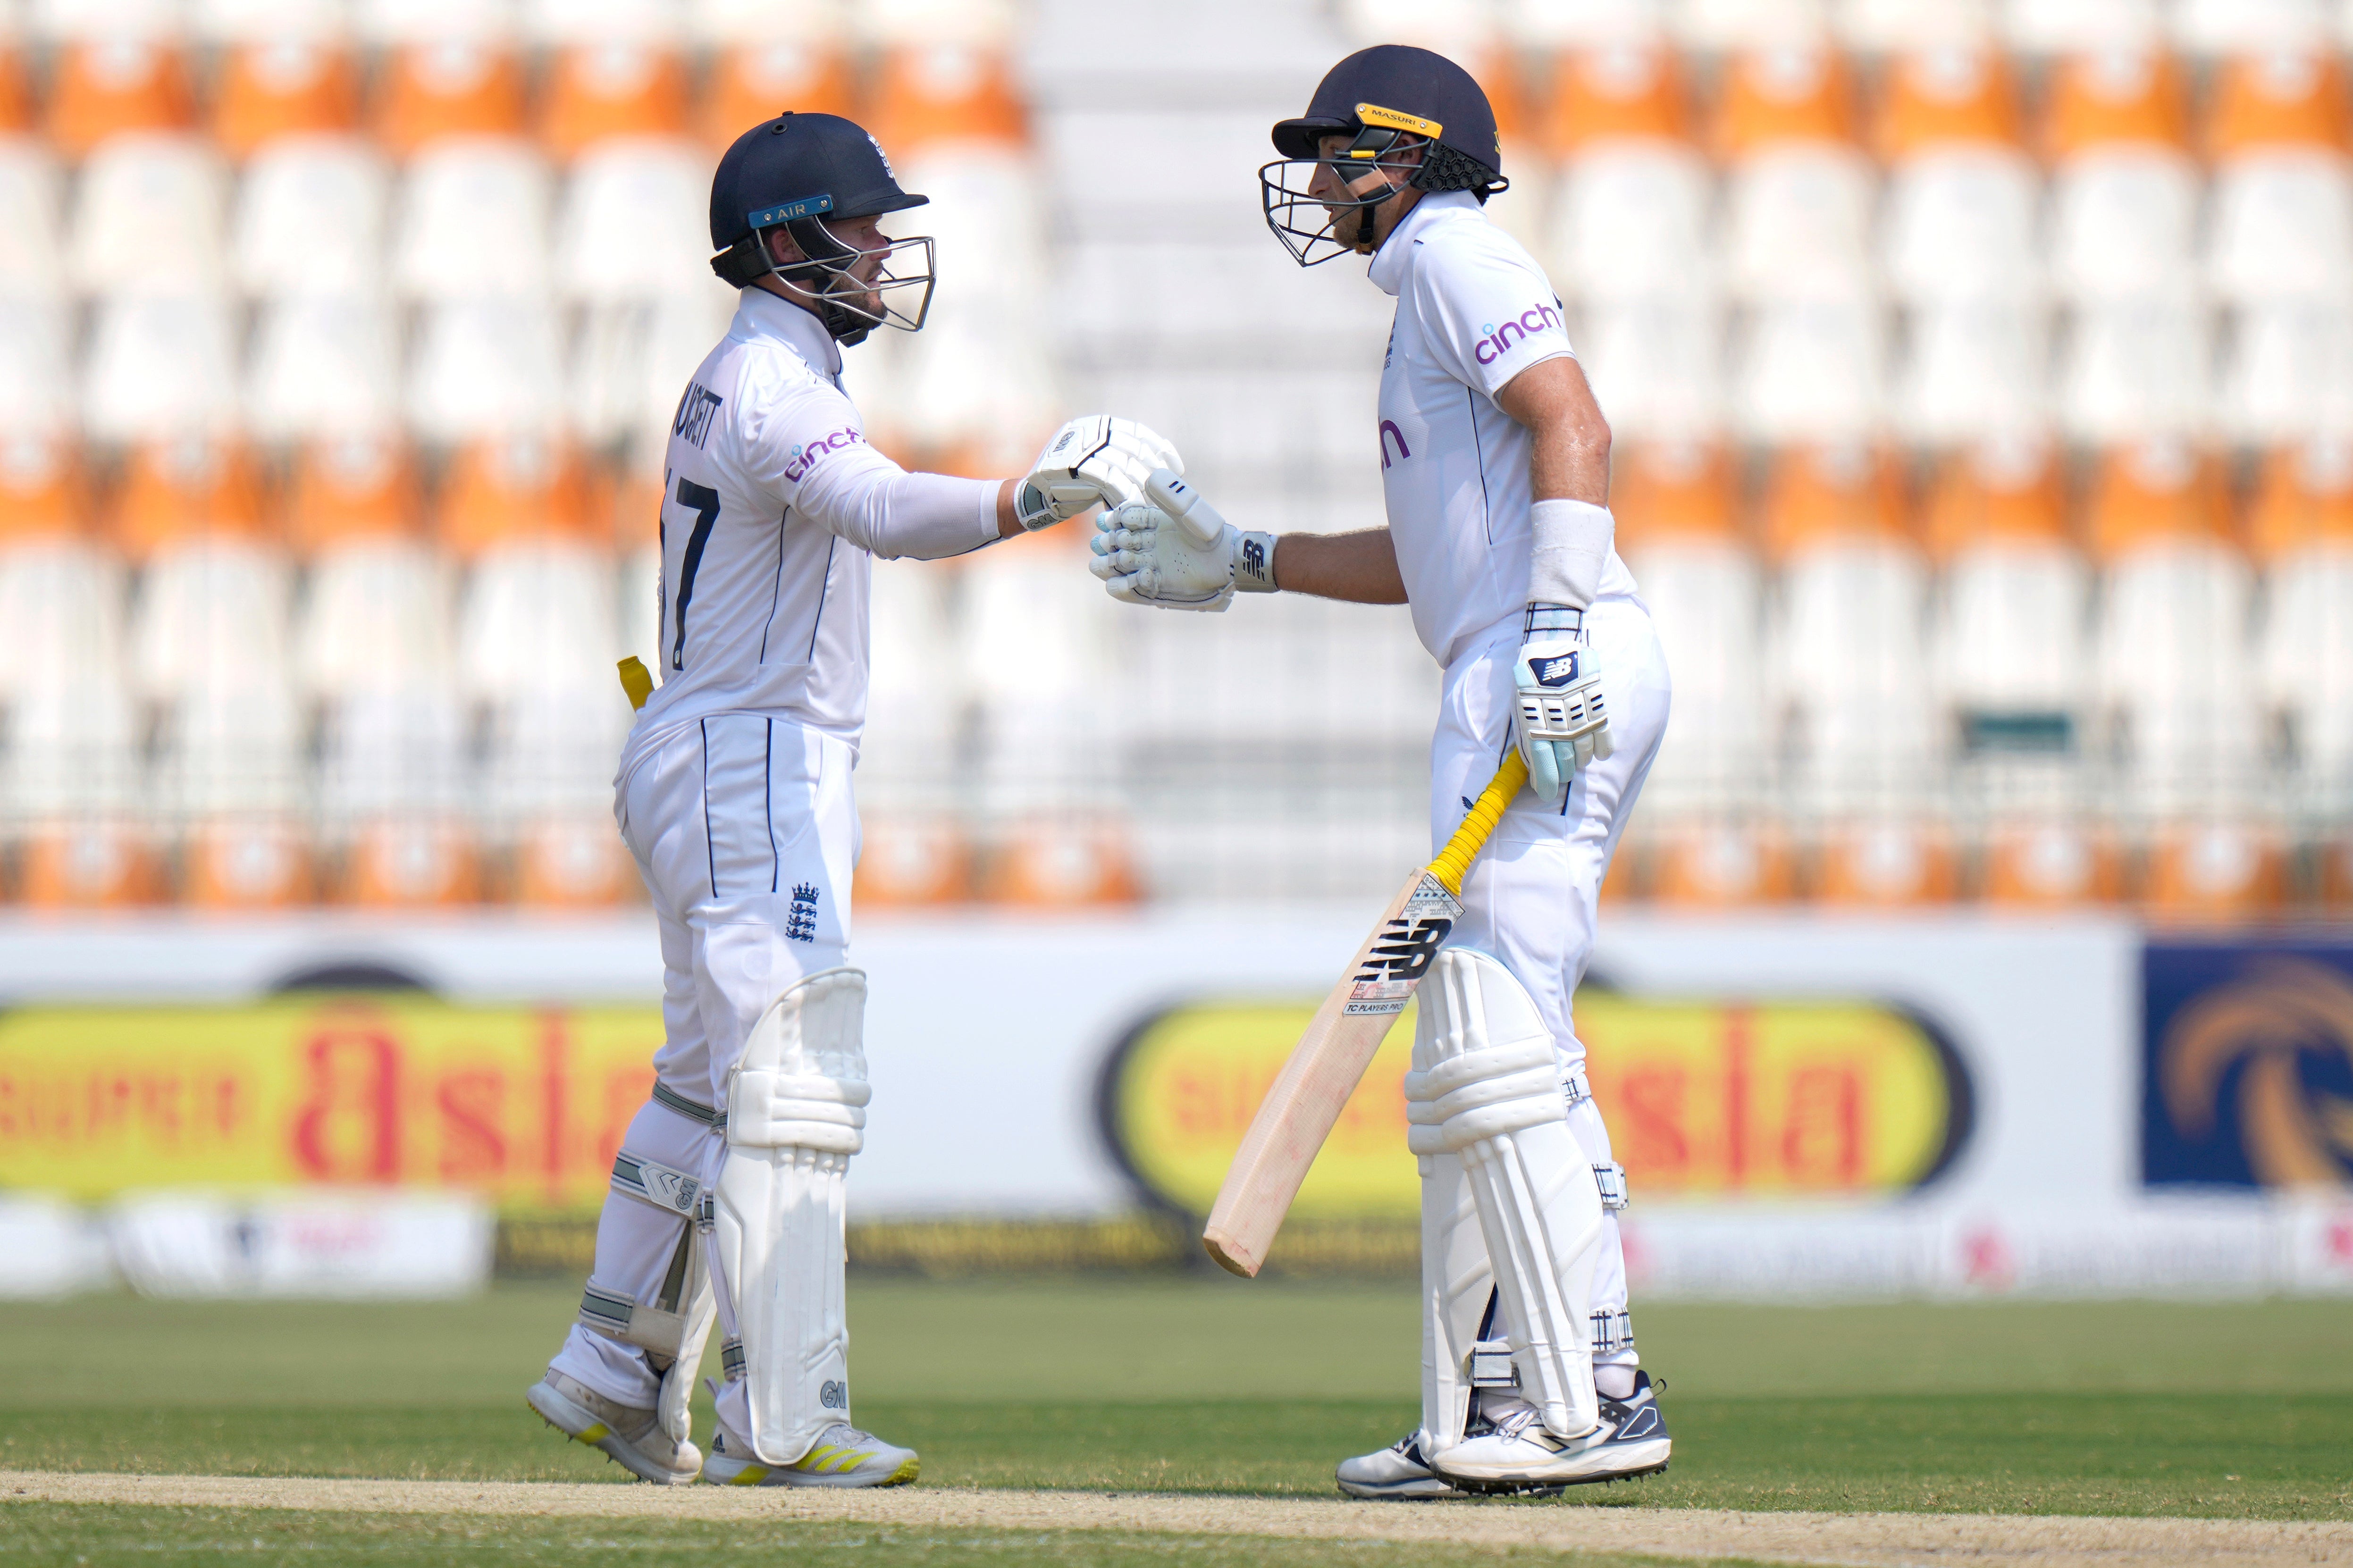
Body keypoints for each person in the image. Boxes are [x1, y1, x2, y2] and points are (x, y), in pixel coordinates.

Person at [524, 109, 1178, 1488]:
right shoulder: (774, 383)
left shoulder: (757, 369)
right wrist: (1036, 495)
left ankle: (609, 1366)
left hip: (707, 748)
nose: (885, 247)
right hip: (750, 752)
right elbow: (881, 513)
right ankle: (788, 1411)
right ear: (786, 240)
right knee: (794, 1077)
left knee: (708, 1084)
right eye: (863, 222)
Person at [1087, 45, 1674, 1497]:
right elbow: (1426, 560)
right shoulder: (1423, 290)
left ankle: (1585, 1400)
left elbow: (1575, 424)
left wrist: (1547, 637)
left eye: (1335, 152)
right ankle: (1509, 1389)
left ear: (1406, 159)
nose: (1314, 178)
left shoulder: (1457, 256)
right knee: (1500, 1038)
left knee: (1490, 1037)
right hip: (1522, 645)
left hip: (1546, 652)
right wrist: (1247, 560)